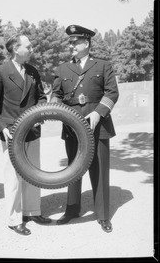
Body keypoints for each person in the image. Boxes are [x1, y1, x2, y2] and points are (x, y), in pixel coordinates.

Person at [51, 25, 119, 233]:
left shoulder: (103, 65)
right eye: (69, 42)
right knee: (73, 169)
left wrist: (98, 112)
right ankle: (72, 210)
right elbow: (56, 95)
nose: (70, 45)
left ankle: (103, 215)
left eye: (74, 42)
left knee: (99, 170)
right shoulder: (61, 69)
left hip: (98, 126)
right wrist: (53, 105)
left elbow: (112, 92)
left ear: (86, 43)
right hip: (72, 127)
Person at [0, 34, 52, 236]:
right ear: (15, 49)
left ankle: (32, 211)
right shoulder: (0, 72)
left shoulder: (32, 71)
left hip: (33, 130)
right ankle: (14, 219)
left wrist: (40, 114)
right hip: (12, 133)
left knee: (34, 173)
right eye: (28, 46)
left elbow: (41, 97)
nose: (32, 50)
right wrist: (2, 127)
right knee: (13, 177)